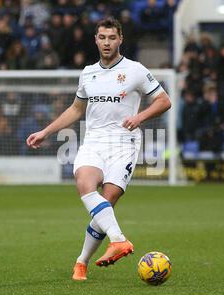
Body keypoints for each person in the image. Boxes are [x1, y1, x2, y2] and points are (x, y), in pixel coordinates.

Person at [26, 18, 171, 281]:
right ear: (96, 39)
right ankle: (119, 240)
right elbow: (76, 110)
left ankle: (81, 262)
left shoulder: (135, 70)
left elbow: (164, 100)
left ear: (120, 39)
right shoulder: (88, 73)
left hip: (124, 143)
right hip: (93, 141)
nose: (106, 42)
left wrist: (139, 118)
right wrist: (46, 131)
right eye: (102, 37)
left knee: (108, 201)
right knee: (84, 182)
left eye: (111, 38)